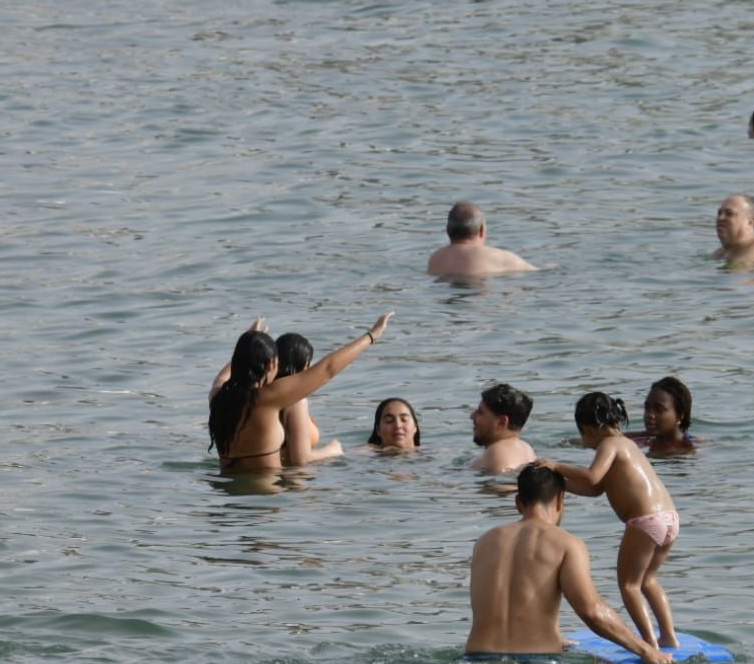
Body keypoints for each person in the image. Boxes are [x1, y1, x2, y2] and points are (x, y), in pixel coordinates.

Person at [466, 463, 672, 664]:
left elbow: (506, 606)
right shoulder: (566, 544)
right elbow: (592, 611)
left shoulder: (484, 542)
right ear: (560, 500)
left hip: (475, 661)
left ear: (518, 502)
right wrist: (646, 650)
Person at [539, 393, 681, 650]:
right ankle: (669, 636)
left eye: (583, 435)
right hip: (669, 518)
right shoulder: (627, 445)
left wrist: (556, 465)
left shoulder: (609, 444)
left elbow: (592, 477)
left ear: (591, 428)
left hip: (645, 521)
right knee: (648, 580)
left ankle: (649, 644)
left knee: (629, 585)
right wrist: (561, 484)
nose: (585, 443)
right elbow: (595, 489)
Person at [209, 313, 392, 474]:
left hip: (229, 500)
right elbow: (328, 369)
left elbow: (223, 376)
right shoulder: (267, 398)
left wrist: (249, 342)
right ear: (272, 365)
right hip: (263, 501)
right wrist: (371, 336)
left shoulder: (217, 398)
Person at [275, 332, 344, 465]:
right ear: (303, 366)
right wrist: (332, 450)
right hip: (293, 480)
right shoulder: (295, 401)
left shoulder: (266, 395)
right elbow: (301, 459)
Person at [426, 202, 536, 278]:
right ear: (482, 230)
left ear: (447, 230)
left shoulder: (435, 259)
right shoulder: (503, 258)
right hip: (479, 300)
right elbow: (535, 273)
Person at [470, 383, 536, 474]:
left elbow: (503, 487)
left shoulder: (497, 454)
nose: (472, 416)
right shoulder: (526, 448)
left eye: (480, 412)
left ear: (501, 422)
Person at [712, 193, 754, 268]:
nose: (720, 218)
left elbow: (736, 277)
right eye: (719, 213)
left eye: (729, 213)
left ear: (750, 222)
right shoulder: (721, 253)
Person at [641, 376, 695, 455]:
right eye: (647, 408)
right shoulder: (644, 440)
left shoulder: (690, 447)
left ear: (680, 416)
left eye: (659, 409)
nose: (649, 415)